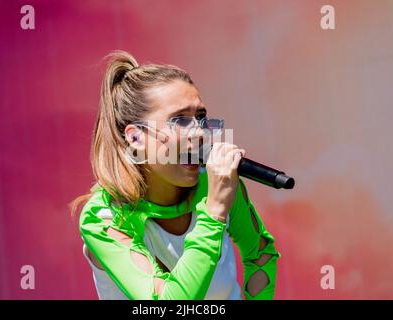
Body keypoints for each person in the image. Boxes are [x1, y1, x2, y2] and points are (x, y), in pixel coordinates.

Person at [70, 50, 280, 300]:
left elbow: (261, 253)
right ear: (135, 137)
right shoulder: (104, 217)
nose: (200, 133)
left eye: (200, 118)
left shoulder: (213, 184)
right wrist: (214, 212)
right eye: (180, 120)